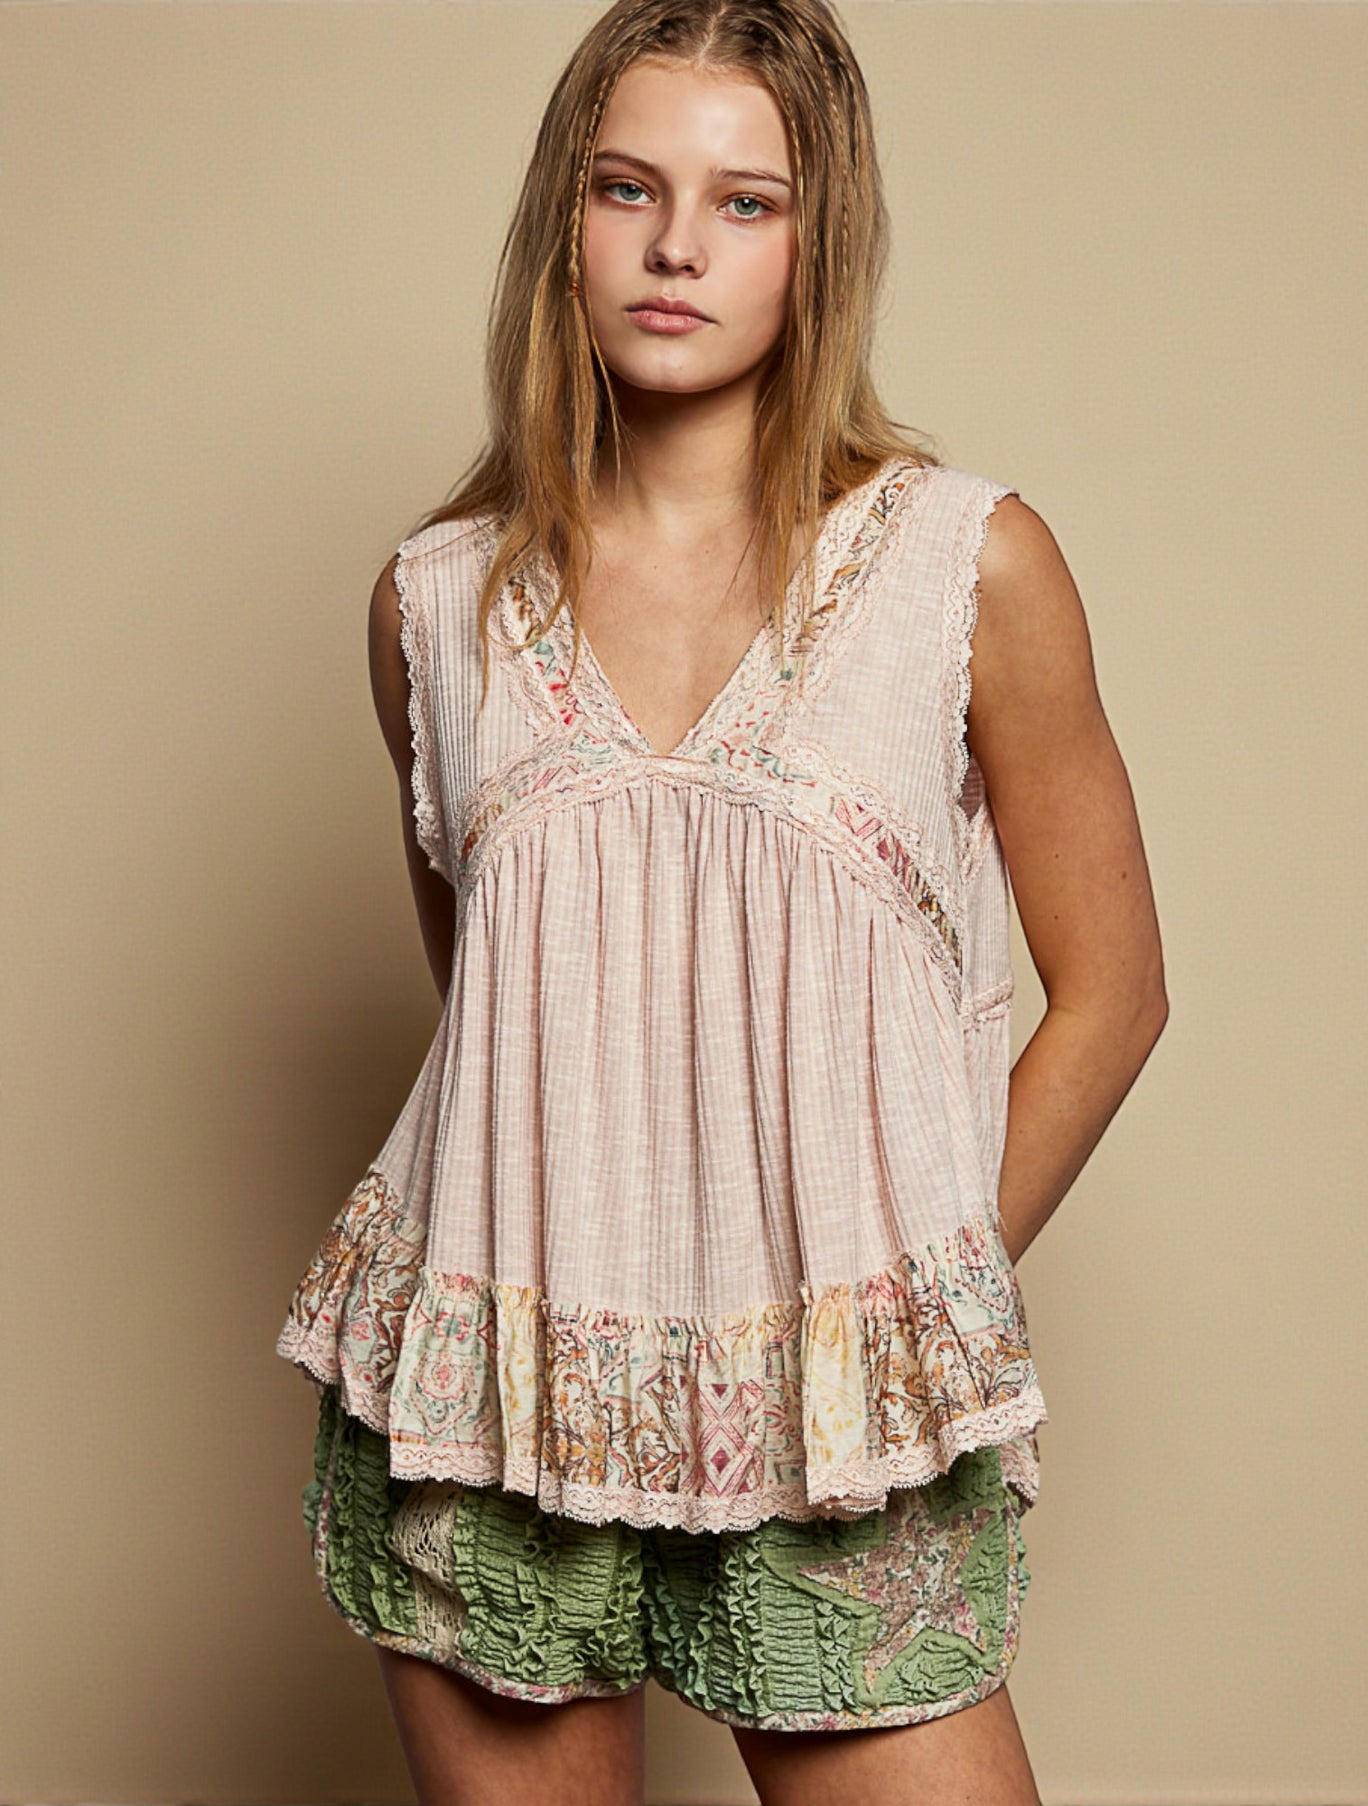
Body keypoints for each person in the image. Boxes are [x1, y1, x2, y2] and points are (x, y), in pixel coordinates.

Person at [274, 2, 1169, 1800]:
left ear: (816, 241)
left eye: (743, 202)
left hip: (838, 1416)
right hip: (495, 1413)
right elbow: (499, 1010)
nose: (676, 246)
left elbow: (1114, 991)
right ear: (567, 222)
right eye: (628, 189)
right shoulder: (432, 607)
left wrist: (913, 1305)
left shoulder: (957, 565)